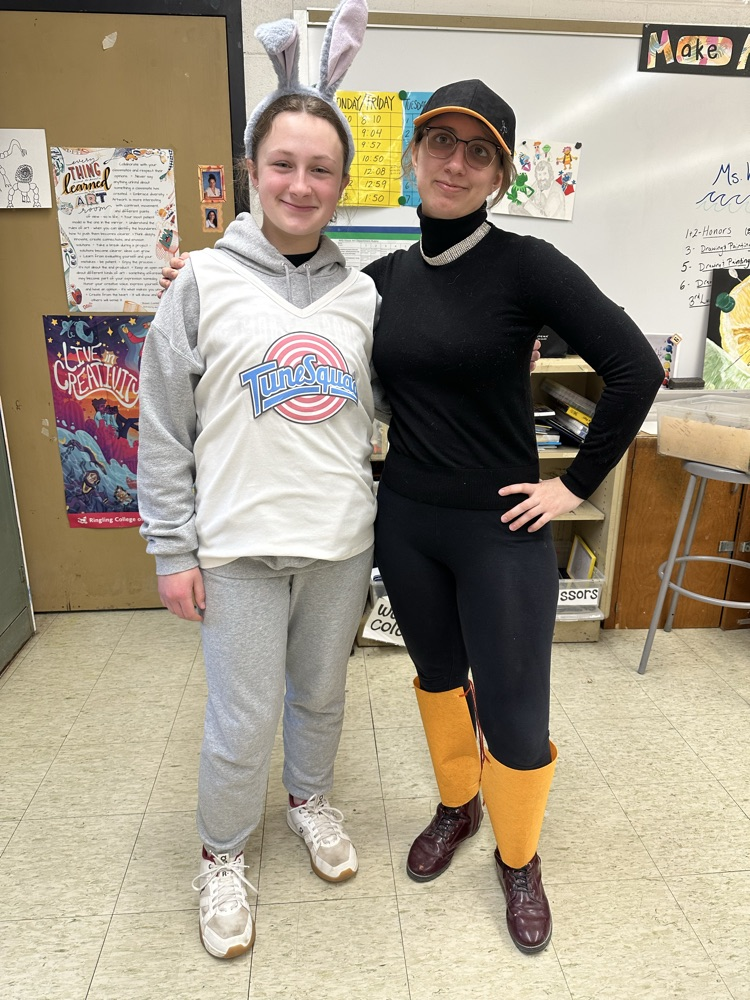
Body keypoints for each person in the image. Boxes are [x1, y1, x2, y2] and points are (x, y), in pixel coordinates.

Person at [161, 79, 642, 958]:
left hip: (502, 530)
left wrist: (573, 487)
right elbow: (301, 322)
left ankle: (519, 858)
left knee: (516, 712)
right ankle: (458, 806)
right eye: (441, 144)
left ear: (500, 173)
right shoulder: (376, 281)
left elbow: (634, 367)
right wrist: (206, 276)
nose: (456, 164)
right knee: (437, 681)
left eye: (479, 152)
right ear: (414, 156)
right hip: (406, 525)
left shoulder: (529, 265)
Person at [138, 0, 371, 960]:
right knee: (241, 721)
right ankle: (222, 855)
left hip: (339, 543)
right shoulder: (200, 283)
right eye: (283, 164)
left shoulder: (364, 293)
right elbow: (164, 426)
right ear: (251, 169)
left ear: (343, 182)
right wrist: (170, 550)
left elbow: (391, 405)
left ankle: (310, 800)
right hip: (234, 548)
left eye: (321, 169)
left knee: (321, 696)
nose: (300, 184)